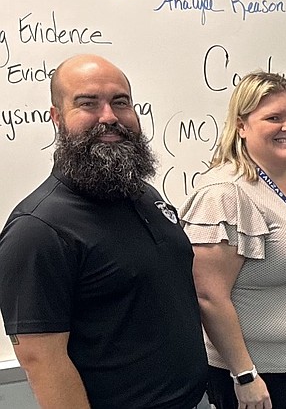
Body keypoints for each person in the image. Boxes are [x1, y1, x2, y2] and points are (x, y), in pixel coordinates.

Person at [0, 54, 206, 408]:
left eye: (120, 102)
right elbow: (42, 362)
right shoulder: (38, 231)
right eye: (88, 104)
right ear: (57, 118)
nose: (109, 117)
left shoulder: (143, 195)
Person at [181, 71, 286, 409]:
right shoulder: (224, 193)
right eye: (274, 118)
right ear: (241, 126)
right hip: (257, 373)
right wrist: (244, 375)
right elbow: (209, 296)